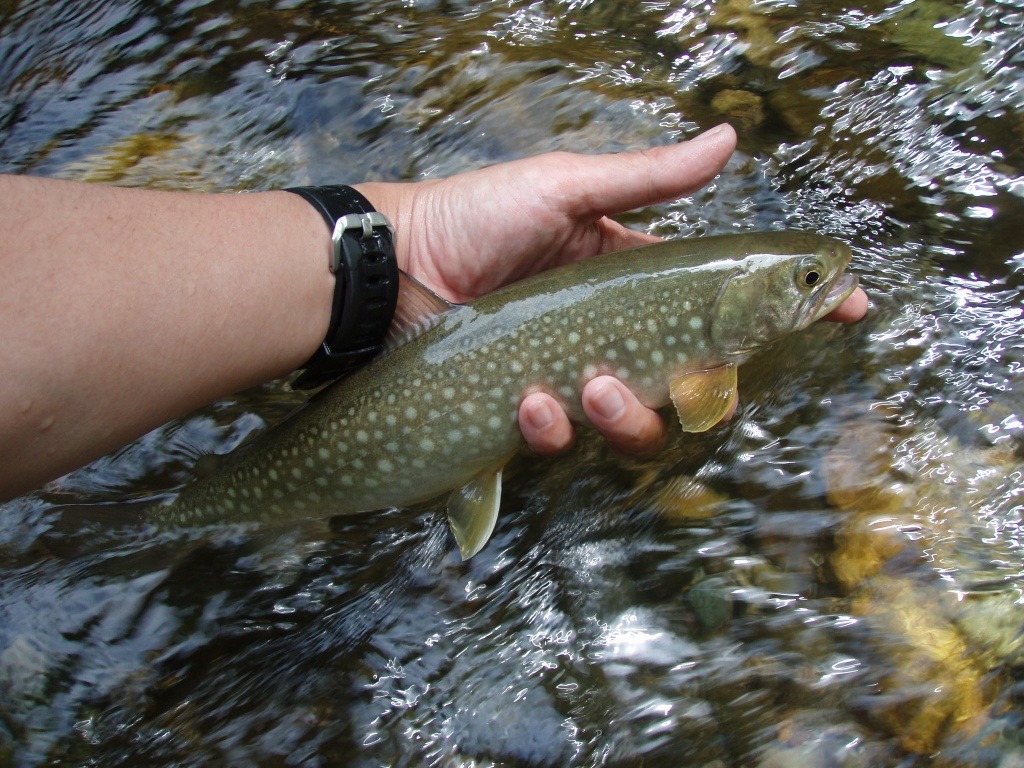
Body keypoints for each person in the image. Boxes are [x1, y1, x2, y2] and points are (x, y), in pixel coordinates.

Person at [0, 123, 867, 501]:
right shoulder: (708, 375)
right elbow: (702, 408)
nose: (823, 285)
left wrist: (395, 249)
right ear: (732, 315)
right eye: (802, 282)